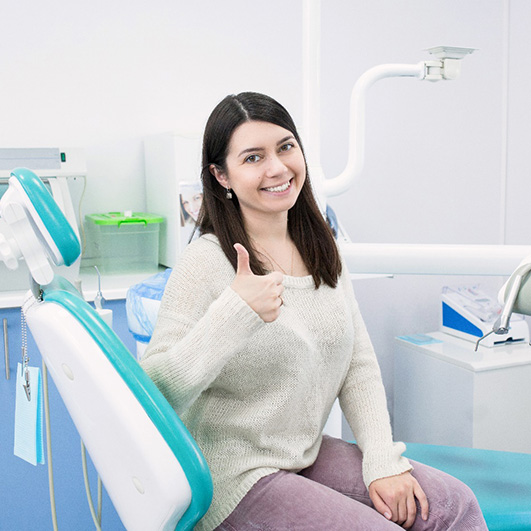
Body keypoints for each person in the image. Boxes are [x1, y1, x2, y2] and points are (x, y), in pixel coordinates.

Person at [140, 92, 488, 530]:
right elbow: (152, 394)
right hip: (232, 475)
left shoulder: (321, 246)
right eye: (252, 157)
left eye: (286, 147)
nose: (277, 168)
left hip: (303, 452)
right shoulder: (206, 261)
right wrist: (234, 314)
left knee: (452, 504)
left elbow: (357, 362)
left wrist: (382, 459)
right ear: (220, 175)